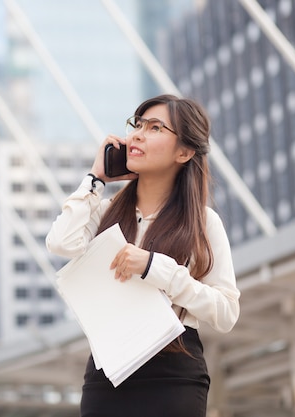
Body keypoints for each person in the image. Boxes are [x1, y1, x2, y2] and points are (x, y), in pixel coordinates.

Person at [46, 94, 240, 417]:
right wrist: (96, 178)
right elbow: (60, 242)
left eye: (154, 128)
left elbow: (227, 312)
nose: (136, 134)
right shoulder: (105, 212)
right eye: (136, 125)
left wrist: (156, 268)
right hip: (107, 374)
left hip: (173, 376)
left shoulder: (203, 223)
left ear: (184, 151)